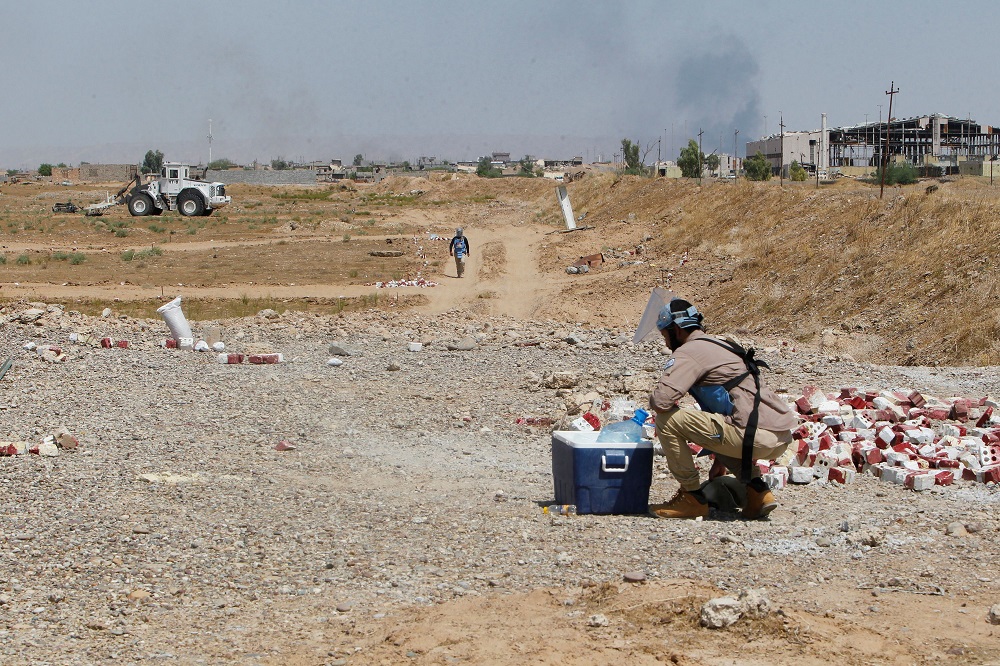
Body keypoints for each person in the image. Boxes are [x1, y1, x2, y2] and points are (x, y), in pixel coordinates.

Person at [647, 298, 796, 520]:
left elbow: (661, 402)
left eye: (665, 335)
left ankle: (691, 498)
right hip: (779, 436)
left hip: (754, 437)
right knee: (714, 424)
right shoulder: (720, 345)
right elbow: (729, 407)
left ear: (676, 329)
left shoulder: (689, 351)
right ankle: (758, 492)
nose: (666, 343)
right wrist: (720, 457)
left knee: (667, 420)